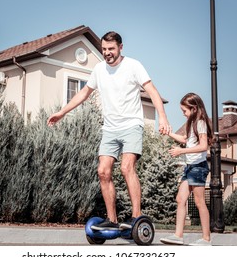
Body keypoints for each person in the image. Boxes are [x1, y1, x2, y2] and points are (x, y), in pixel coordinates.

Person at [47, 31, 170, 230]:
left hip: (131, 125)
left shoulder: (133, 66)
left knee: (126, 167)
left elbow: (152, 91)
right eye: (104, 49)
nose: (107, 53)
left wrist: (162, 117)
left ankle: (136, 217)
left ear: (120, 47)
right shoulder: (98, 69)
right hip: (110, 129)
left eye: (111, 49)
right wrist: (62, 112)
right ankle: (112, 220)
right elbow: (84, 93)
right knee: (103, 171)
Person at [160, 92, 212, 246]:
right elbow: (185, 140)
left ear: (194, 108)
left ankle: (206, 239)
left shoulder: (201, 122)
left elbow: (203, 146)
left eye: (185, 111)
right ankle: (178, 235)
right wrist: (169, 133)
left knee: (199, 202)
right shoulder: (192, 123)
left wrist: (180, 151)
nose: (183, 114)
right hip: (190, 167)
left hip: (198, 167)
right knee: (180, 199)